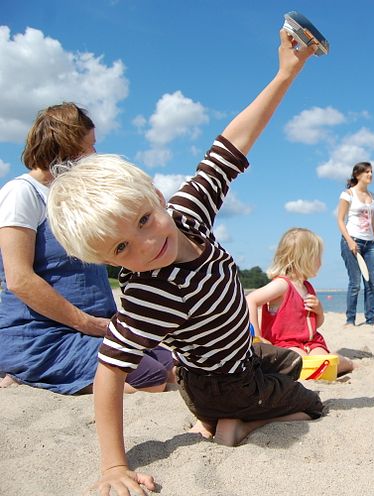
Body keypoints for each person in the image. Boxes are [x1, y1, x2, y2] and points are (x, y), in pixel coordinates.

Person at [46, 30, 323, 494]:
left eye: (143, 219)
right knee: (312, 405)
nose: (145, 245)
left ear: (157, 196)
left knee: (293, 360)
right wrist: (115, 466)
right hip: (220, 385)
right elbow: (110, 370)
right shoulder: (151, 292)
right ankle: (236, 426)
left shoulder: (185, 215)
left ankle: (232, 411)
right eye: (120, 250)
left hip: (242, 350)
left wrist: (286, 73)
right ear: (105, 262)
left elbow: (230, 147)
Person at [0, 103, 174, 394]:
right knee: (150, 381)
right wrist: (87, 323)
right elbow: (19, 279)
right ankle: (23, 372)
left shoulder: (77, 201)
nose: (94, 154)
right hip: (42, 333)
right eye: (89, 146)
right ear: (65, 146)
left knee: (170, 367)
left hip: (95, 329)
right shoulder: (22, 194)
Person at [247, 228, 354, 375]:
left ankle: (349, 364)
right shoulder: (282, 285)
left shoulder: (307, 287)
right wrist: (258, 339)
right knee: (300, 362)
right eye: (317, 257)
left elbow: (312, 326)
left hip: (311, 342)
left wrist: (319, 311)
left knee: (325, 361)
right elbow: (250, 300)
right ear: (304, 258)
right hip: (284, 345)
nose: (321, 262)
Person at [336, 161, 374, 326]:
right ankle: (350, 320)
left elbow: (373, 223)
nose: (370, 174)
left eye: (371, 172)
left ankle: (371, 321)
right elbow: (340, 220)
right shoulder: (348, 194)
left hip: (369, 244)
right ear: (358, 175)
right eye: (367, 172)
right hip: (352, 242)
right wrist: (350, 241)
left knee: (371, 283)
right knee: (355, 283)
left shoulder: (372, 197)